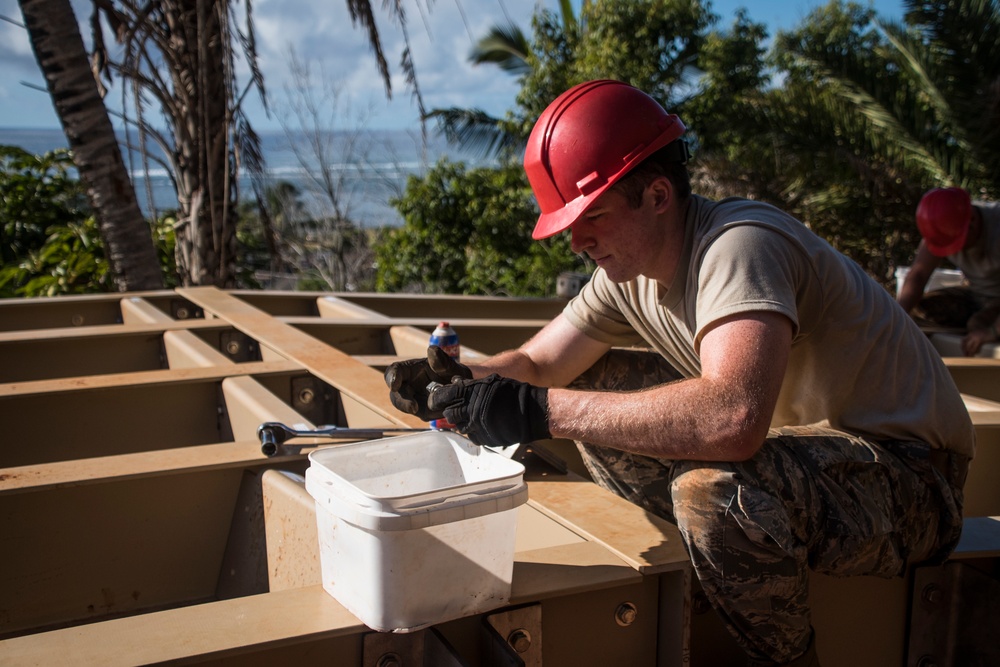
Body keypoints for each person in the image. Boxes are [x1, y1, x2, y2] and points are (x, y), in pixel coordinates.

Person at [384, 80, 974, 667]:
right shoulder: (626, 271)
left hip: (911, 481)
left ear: (659, 195)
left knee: (714, 492)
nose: (575, 241)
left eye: (591, 217)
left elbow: (734, 419)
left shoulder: (739, 246)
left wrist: (540, 412)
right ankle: (726, 565)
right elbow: (539, 365)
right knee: (589, 384)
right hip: (807, 461)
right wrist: (457, 383)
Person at [897, 186, 1000, 355]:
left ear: (972, 220)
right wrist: (896, 318)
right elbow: (919, 274)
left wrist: (992, 332)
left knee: (978, 325)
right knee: (918, 314)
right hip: (978, 296)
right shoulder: (943, 226)